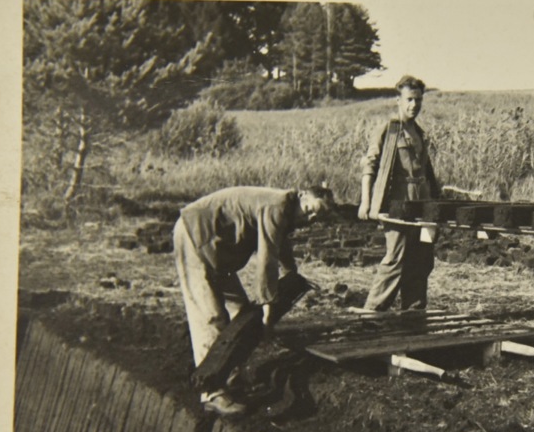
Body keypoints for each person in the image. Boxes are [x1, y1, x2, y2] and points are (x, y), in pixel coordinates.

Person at [173, 185, 336, 413]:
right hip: (196, 235)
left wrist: (291, 273)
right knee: (210, 315)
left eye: (315, 217)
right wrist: (268, 303)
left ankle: (230, 376)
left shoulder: (286, 212)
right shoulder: (276, 205)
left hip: (218, 248)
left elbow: (281, 245)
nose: (309, 218)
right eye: (309, 210)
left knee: (241, 313)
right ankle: (211, 392)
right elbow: (267, 257)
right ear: (302, 195)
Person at [357, 75, 442, 311]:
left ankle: (413, 315)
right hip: (398, 205)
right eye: (409, 99)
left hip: (422, 206)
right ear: (398, 100)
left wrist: (437, 202)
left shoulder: (420, 133)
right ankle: (371, 314)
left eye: (418, 100)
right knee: (396, 259)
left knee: (422, 261)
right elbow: (370, 165)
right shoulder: (389, 130)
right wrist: (366, 202)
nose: (413, 105)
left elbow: (427, 171)